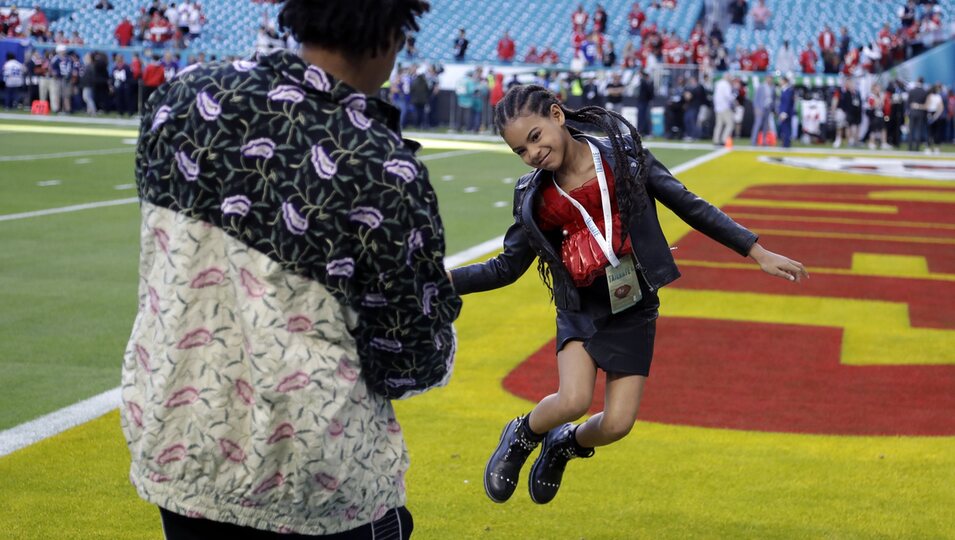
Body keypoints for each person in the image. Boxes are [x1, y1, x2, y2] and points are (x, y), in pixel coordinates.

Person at [123, 0, 461, 538]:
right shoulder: (380, 165)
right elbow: (411, 362)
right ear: (392, 35)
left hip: (180, 446)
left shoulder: (182, 99)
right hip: (312, 478)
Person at [449, 84, 807, 505]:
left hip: (632, 302)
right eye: (521, 152)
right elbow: (505, 267)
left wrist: (755, 250)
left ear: (557, 116)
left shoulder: (625, 157)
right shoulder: (534, 196)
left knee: (618, 423)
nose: (533, 154)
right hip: (581, 305)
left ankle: (565, 445)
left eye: (535, 137)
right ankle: (523, 434)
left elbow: (689, 204)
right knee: (573, 398)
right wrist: (441, 280)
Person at [776, 76, 795, 148]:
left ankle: (786, 143)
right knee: (785, 128)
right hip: (785, 111)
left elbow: (786, 103)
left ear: (784, 81)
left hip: (786, 112)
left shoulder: (788, 90)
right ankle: (786, 143)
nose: (779, 82)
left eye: (781, 80)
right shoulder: (785, 90)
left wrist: (784, 112)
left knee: (786, 128)